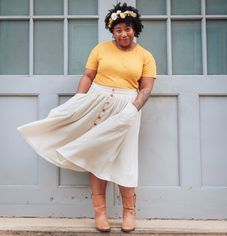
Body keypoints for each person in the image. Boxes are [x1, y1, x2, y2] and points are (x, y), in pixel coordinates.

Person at [17, 2, 157, 233]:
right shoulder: (100, 49)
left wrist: (134, 109)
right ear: (112, 31)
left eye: (128, 28)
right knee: (95, 154)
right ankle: (99, 212)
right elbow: (88, 76)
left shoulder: (145, 56)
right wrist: (78, 100)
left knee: (125, 158)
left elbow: (146, 88)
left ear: (135, 29)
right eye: (118, 29)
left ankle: (129, 212)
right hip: (96, 102)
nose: (123, 33)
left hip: (128, 108)